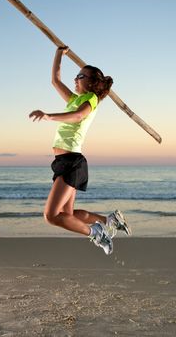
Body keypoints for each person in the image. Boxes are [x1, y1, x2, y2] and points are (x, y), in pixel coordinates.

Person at [29, 46, 131, 255]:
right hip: (64, 162)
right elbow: (55, 81)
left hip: (72, 162)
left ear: (91, 82)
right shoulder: (74, 99)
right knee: (68, 215)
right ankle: (108, 220)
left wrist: (49, 116)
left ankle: (97, 233)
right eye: (76, 75)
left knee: (51, 216)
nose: (75, 79)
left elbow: (77, 117)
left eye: (79, 76)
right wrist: (59, 54)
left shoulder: (90, 99)